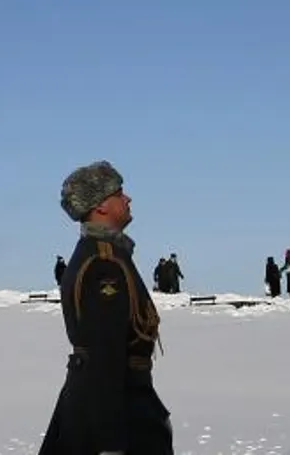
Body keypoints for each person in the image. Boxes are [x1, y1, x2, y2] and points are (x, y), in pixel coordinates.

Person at [36, 161, 171, 455]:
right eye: (119, 193)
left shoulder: (108, 255)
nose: (128, 198)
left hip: (116, 405)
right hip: (117, 414)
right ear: (100, 206)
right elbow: (103, 353)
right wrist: (110, 443)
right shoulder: (103, 264)